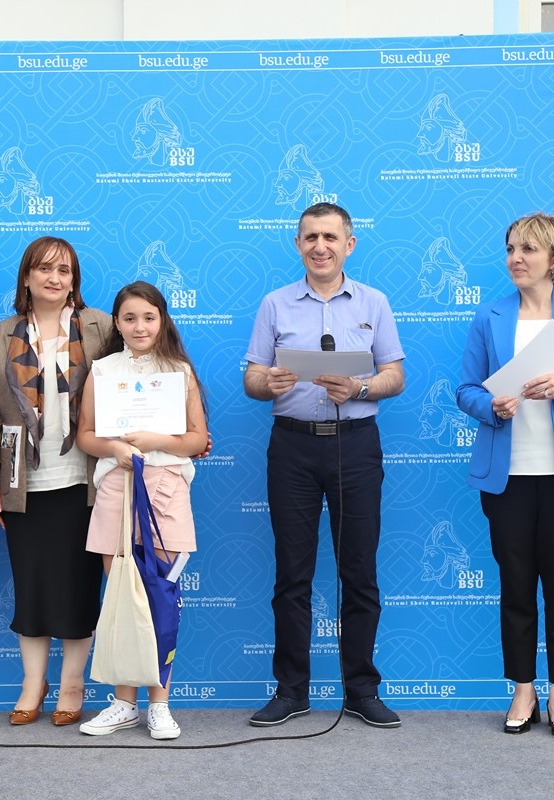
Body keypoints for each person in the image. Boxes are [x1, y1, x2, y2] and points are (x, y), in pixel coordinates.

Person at [242, 202, 405, 729]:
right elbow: (252, 379)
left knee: (359, 573)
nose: (320, 246)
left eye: (330, 237)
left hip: (356, 447)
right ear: (298, 244)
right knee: (292, 575)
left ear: (348, 245)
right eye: (310, 237)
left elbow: (395, 376)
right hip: (292, 448)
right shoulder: (274, 304)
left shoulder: (374, 303)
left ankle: (361, 690)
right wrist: (268, 382)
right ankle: (292, 691)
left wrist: (359, 387)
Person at [454, 212, 554, 739]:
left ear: (553, 257)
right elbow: (466, 390)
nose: (515, 258)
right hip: (509, 477)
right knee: (516, 586)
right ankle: (523, 690)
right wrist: (490, 406)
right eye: (510, 248)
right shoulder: (490, 316)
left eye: (527, 249)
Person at [0, 236, 110, 727]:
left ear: (74, 281)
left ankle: (73, 683)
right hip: (23, 480)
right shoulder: (1, 335)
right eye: (45, 269)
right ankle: (33, 683)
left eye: (64, 270)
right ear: (27, 277)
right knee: (30, 586)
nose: (55, 278)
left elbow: (137, 378)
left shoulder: (100, 326)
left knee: (79, 586)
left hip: (86, 478)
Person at [75, 281, 208, 740]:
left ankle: (160, 704)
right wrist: (114, 447)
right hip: (117, 487)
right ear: (116, 323)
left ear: (162, 320)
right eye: (129, 318)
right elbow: (85, 435)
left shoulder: (179, 372)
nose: (139, 326)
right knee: (121, 601)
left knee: (159, 598)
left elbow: (197, 439)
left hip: (166, 490)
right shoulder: (103, 370)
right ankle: (123, 704)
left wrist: (157, 441)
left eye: (149, 317)